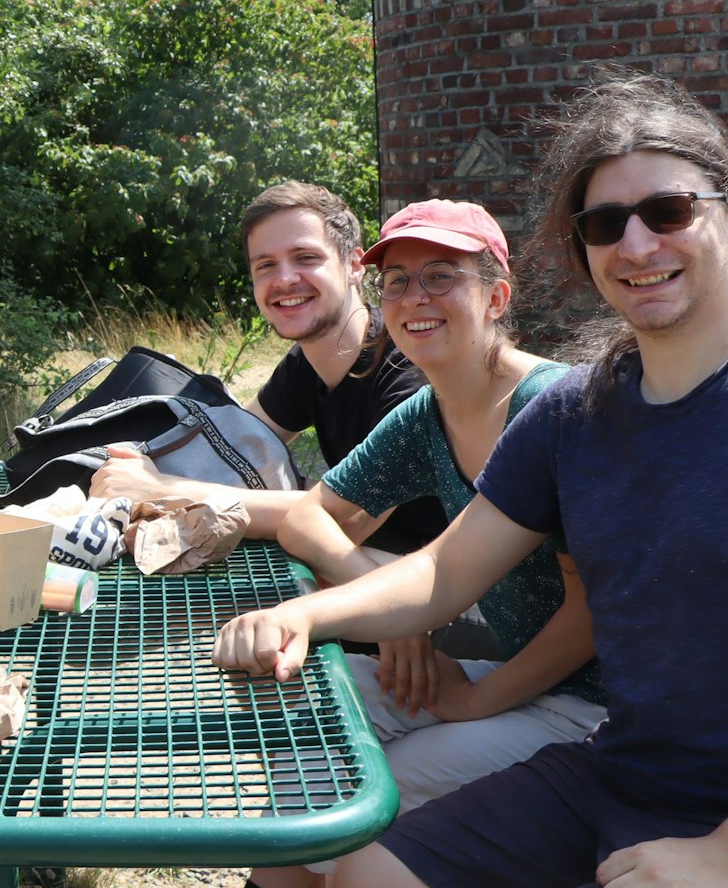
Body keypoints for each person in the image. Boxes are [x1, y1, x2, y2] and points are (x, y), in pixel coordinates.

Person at [215, 72, 728, 888]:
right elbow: (443, 571)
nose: (636, 245)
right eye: (605, 224)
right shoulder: (575, 413)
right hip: (628, 774)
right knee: (366, 871)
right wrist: (301, 615)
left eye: (668, 211)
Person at [244, 199, 603, 888]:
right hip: (504, 673)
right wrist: (396, 621)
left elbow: (593, 613)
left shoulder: (551, 406)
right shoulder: (429, 409)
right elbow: (308, 518)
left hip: (589, 706)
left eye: (441, 276)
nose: (414, 297)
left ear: (496, 297)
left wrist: (477, 701)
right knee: (311, 707)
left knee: (356, 795)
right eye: (398, 281)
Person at [91, 183, 448, 556]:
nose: (284, 279)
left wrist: (162, 489)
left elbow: (346, 518)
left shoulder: (407, 373)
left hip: (433, 576)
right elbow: (234, 447)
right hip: (363, 559)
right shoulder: (306, 363)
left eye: (305, 257)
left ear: (355, 266)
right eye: (266, 265)